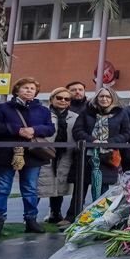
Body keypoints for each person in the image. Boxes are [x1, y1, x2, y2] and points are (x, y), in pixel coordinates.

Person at [0, 77, 55, 238]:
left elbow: (50, 129)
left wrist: (34, 130)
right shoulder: (3, 108)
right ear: (17, 90)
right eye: (25, 87)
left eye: (32, 88)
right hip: (5, 154)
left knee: (30, 189)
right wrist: (17, 130)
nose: (29, 90)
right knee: (1, 189)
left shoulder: (43, 110)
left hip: (32, 154)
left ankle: (31, 220)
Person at [73, 87, 130, 198]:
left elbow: (126, 133)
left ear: (113, 99)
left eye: (108, 96)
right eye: (101, 96)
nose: (104, 99)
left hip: (108, 156)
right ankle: (76, 210)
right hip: (86, 155)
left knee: (103, 191)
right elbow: (77, 130)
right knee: (80, 191)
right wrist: (92, 141)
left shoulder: (121, 113)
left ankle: (100, 209)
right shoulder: (86, 112)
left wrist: (108, 142)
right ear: (97, 98)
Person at [38, 87, 79, 227]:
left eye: (67, 99)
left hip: (66, 155)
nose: (63, 101)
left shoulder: (75, 117)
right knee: (40, 184)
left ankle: (55, 213)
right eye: (59, 98)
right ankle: (30, 216)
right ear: (52, 99)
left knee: (60, 185)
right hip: (45, 153)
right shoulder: (43, 114)